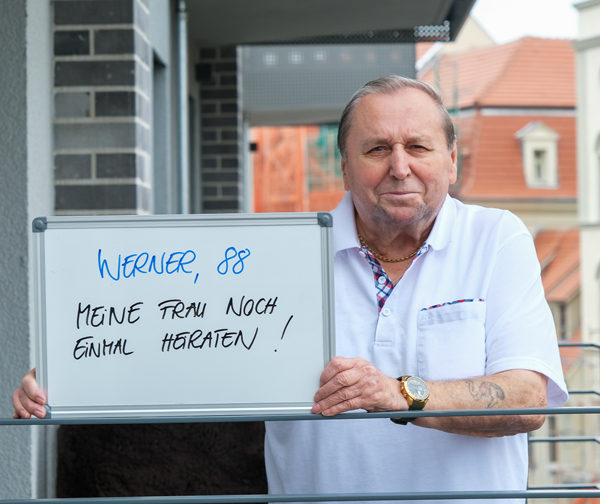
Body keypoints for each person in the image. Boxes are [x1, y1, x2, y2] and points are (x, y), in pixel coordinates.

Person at [14, 76, 567, 503]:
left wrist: (402, 394)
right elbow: (180, 345)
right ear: (344, 166)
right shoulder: (277, 255)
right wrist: (73, 376)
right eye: (376, 150)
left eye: (418, 147)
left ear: (450, 160)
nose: (400, 167)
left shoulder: (496, 239)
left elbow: (527, 399)